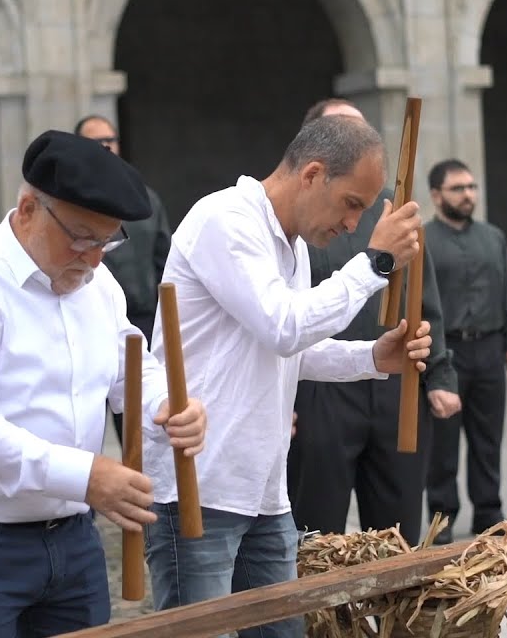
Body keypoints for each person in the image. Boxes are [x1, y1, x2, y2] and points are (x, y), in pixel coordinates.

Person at [0, 129, 207, 637]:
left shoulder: (98, 282)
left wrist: (168, 406)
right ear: (27, 209)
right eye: (81, 237)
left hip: (71, 539)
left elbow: (131, 367)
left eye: (107, 241)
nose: (92, 257)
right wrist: (84, 476)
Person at [144, 114, 433, 638]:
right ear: (312, 174)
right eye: (352, 205)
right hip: (199, 484)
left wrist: (373, 358)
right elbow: (283, 325)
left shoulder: (292, 245)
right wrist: (375, 264)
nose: (352, 226)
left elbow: (291, 348)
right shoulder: (225, 219)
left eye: (363, 214)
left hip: (263, 489)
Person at [286, 98, 461, 548]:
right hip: (320, 381)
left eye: (361, 134)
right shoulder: (300, 214)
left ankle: (394, 618)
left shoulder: (393, 208)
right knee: (316, 526)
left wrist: (439, 372)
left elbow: (424, 298)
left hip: (392, 378)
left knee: (397, 529)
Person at [424, 158, 507, 545]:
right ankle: (441, 514)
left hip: (488, 349)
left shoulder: (492, 238)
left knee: (488, 438)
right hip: (445, 354)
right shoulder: (422, 241)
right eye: (458, 188)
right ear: (436, 195)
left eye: (471, 187)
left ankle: (489, 510)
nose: (468, 195)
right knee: (443, 441)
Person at [74, 115, 172, 442]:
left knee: (137, 426)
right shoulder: (72, 200)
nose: (105, 147)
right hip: (85, 321)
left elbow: (164, 259)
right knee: (82, 422)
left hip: (140, 319)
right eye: (95, 142)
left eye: (110, 140)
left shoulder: (144, 199)